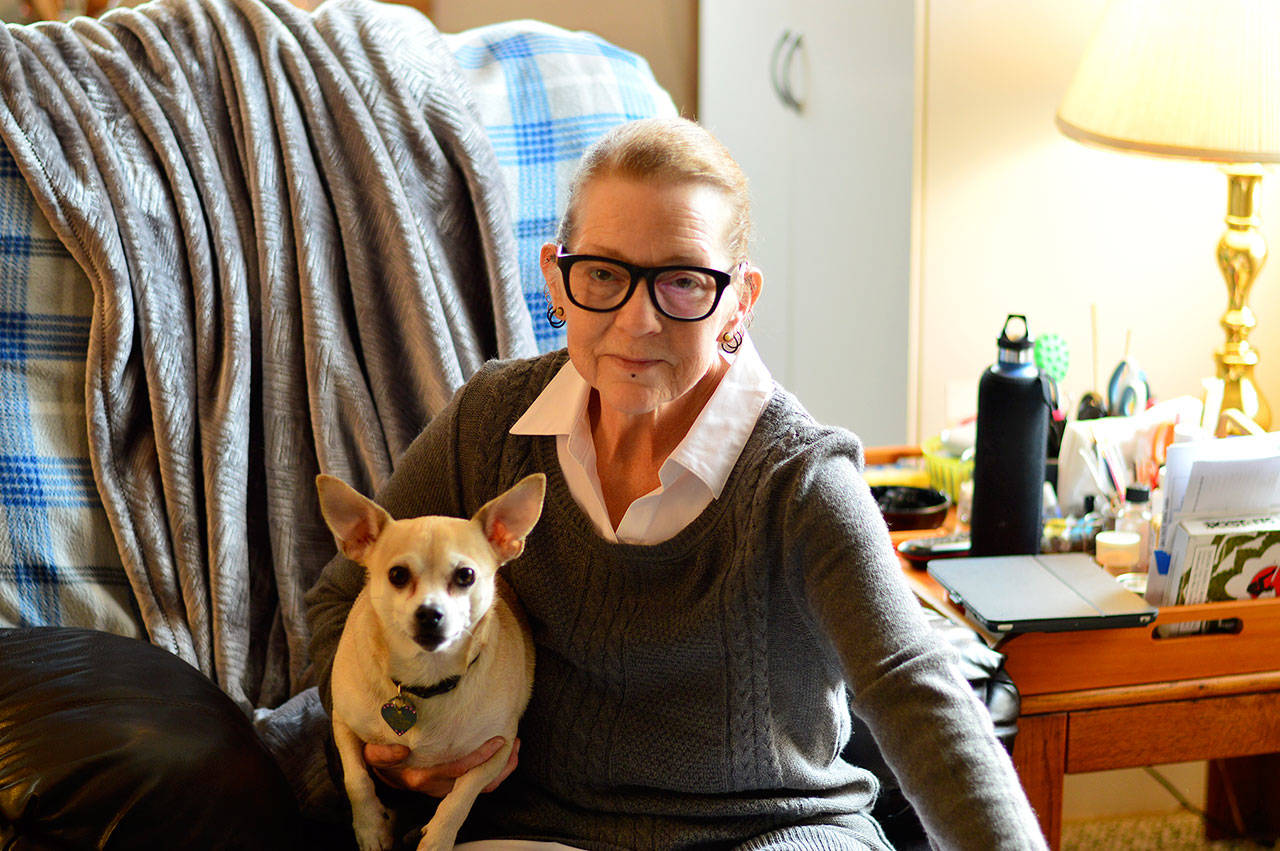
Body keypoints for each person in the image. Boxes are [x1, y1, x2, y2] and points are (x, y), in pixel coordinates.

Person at [305, 116, 1047, 850]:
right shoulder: (490, 423)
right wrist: (398, 742)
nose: (637, 320)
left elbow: (914, 687)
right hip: (539, 829)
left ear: (741, 299)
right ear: (557, 279)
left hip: (771, 828)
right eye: (603, 273)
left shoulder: (801, 480)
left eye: (683, 281)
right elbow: (343, 594)